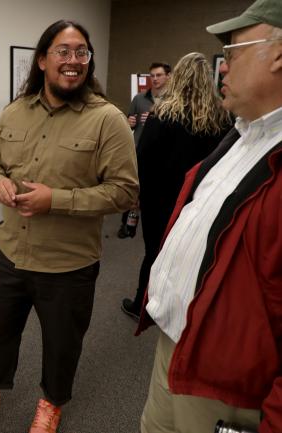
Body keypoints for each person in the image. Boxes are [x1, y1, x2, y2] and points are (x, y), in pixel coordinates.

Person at [0, 20, 139, 433]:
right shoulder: (16, 110)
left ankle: (52, 402)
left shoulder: (108, 120)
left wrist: (57, 200)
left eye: (82, 52)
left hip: (68, 264)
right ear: (42, 59)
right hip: (11, 251)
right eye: (63, 51)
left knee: (62, 343)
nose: (73, 61)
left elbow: (125, 193)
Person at [136, 1, 282, 432]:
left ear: (278, 55)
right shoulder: (241, 134)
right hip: (177, 350)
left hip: (228, 387)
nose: (223, 66)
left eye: (233, 50)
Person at [120, 52, 231, 321]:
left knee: (154, 253)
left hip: (159, 199)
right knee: (188, 254)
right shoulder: (222, 118)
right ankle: (178, 306)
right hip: (199, 200)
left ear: (177, 78)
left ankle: (141, 304)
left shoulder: (163, 115)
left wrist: (135, 196)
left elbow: (143, 160)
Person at [117, 62, 171, 239]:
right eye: (152, 76)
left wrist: (157, 118)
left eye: (159, 75)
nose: (155, 79)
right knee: (133, 187)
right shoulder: (139, 99)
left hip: (162, 152)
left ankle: (154, 225)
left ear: (168, 76)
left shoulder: (173, 100)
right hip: (139, 150)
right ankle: (126, 225)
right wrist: (129, 123)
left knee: (154, 190)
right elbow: (128, 120)